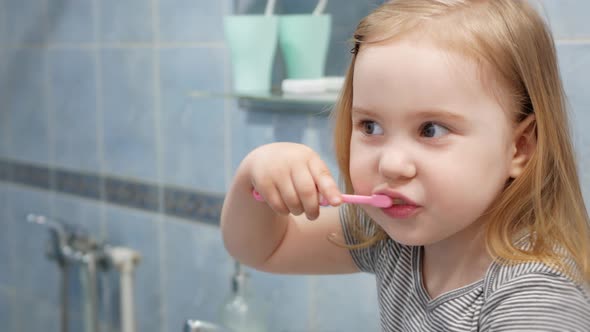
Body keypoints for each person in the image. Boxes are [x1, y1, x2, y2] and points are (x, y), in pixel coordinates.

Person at [220, 0, 590, 330]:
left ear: (519, 147)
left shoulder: (534, 299)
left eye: (431, 129)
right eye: (371, 126)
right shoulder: (391, 240)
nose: (392, 164)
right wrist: (253, 174)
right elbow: (265, 248)